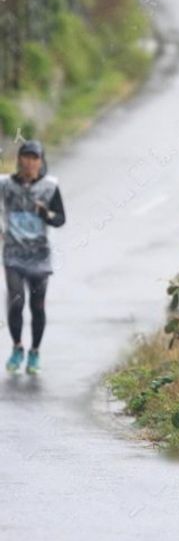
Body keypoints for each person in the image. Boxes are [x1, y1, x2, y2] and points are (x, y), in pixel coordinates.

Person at [0, 140, 66, 375]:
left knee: (37, 306)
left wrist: (45, 213)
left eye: (35, 158)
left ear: (41, 161)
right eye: (26, 157)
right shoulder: (6, 185)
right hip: (13, 254)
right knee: (15, 302)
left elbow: (60, 219)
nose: (30, 162)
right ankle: (17, 346)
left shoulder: (49, 187)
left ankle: (35, 352)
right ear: (19, 160)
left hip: (39, 255)